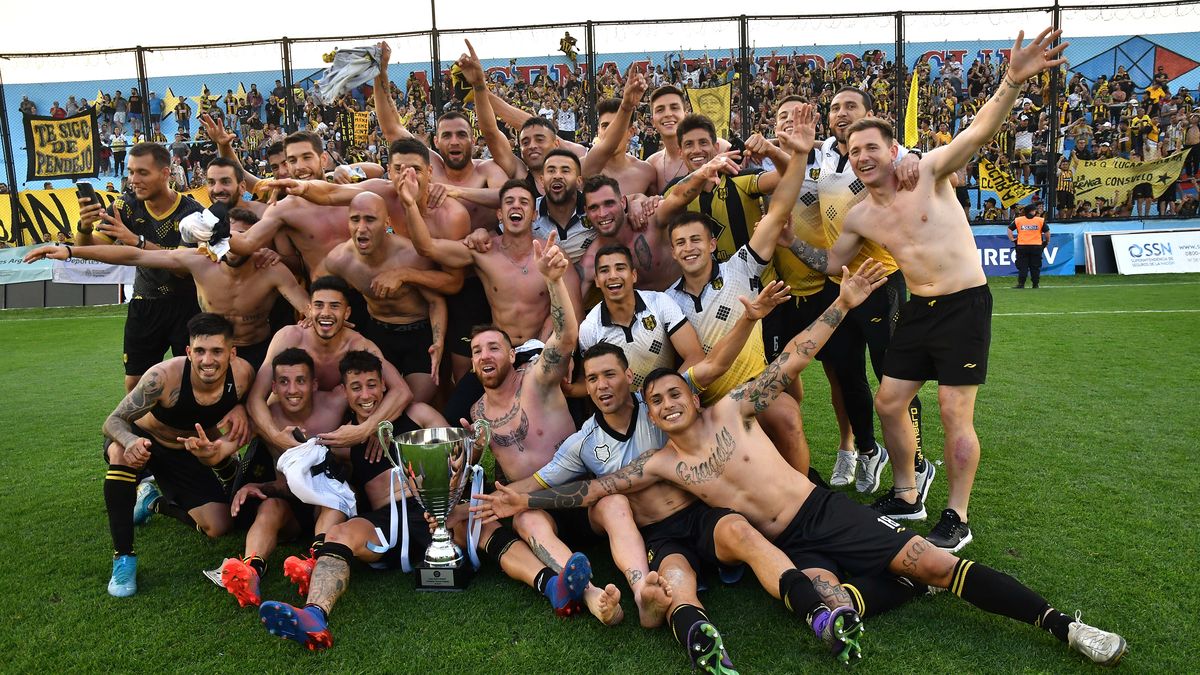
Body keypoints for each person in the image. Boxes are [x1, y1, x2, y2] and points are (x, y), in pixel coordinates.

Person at [476, 260, 1128, 668]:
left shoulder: (733, 407)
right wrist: (522, 500)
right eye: (659, 399)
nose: (668, 402)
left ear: (691, 394)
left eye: (674, 392)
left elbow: (793, 360)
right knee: (825, 598)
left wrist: (841, 303)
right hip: (783, 543)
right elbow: (594, 487)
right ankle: (874, 591)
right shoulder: (663, 463)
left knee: (928, 561)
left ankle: (1063, 625)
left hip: (821, 511)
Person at [779, 27, 1069, 551]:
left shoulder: (928, 172)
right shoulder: (862, 215)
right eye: (853, 149)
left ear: (894, 150)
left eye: (872, 147)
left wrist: (1012, 80)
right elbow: (831, 264)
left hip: (964, 305)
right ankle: (908, 493)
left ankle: (957, 515)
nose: (862, 155)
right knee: (890, 401)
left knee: (954, 413)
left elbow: (977, 135)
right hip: (918, 307)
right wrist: (788, 242)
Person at [775, 88, 930, 497]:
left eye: (851, 107)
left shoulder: (888, 155)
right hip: (838, 285)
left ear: (869, 115)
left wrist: (912, 157)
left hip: (882, 281)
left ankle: (915, 461)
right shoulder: (822, 152)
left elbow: (926, 162)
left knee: (892, 379)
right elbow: (788, 169)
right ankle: (867, 450)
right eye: (835, 108)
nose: (841, 114)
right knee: (847, 376)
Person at [24, 207, 307, 372]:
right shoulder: (198, 261)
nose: (233, 241)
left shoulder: (270, 269)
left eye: (242, 235)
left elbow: (306, 308)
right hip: (214, 352)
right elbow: (134, 256)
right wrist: (71, 250)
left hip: (259, 351)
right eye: (228, 233)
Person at [100, 313, 254, 597]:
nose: (208, 360)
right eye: (200, 351)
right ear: (188, 351)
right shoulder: (163, 377)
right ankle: (123, 557)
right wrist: (131, 440)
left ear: (232, 353)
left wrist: (242, 407)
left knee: (219, 526)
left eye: (217, 351)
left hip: (183, 450)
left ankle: (153, 503)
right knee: (121, 453)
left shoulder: (244, 375)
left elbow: (258, 403)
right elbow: (113, 421)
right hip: (143, 441)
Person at [218, 347, 349, 608]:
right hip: (290, 502)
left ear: (313, 384)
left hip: (330, 500)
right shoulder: (266, 418)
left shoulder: (335, 402)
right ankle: (251, 572)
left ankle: (314, 562)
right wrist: (254, 485)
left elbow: (373, 387)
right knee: (269, 506)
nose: (292, 389)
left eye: (300, 380)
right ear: (274, 387)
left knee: (332, 500)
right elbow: (221, 449)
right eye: (284, 382)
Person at [75, 142, 206, 392]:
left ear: (165, 173)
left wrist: (136, 241)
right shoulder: (124, 206)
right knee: (136, 382)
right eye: (131, 172)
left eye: (142, 172)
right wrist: (84, 226)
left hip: (189, 305)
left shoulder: (193, 212)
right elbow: (91, 250)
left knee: (192, 381)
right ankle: (139, 430)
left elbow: (182, 267)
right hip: (145, 303)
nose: (134, 180)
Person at [248, 276, 413, 454]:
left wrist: (366, 429)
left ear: (347, 313)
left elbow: (401, 391)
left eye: (334, 306)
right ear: (309, 310)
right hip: (288, 425)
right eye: (319, 305)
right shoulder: (289, 338)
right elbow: (256, 398)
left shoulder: (359, 345)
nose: (326, 312)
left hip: (335, 433)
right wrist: (275, 436)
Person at [320, 191, 448, 404]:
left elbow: (436, 301)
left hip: (418, 334)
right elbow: (321, 290)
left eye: (370, 219)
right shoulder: (339, 259)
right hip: (377, 333)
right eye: (355, 220)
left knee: (413, 403)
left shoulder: (410, 255)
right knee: (373, 400)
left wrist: (438, 341)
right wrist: (313, 313)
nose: (361, 228)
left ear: (386, 222)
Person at [578, 244, 706, 391]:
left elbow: (695, 356)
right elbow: (592, 383)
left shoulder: (660, 302)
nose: (613, 276)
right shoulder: (589, 328)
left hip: (669, 398)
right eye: (604, 270)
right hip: (625, 409)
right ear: (597, 280)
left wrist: (660, 393)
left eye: (620, 268)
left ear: (633, 275)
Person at [1008, 204, 1049, 289]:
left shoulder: (1018, 220)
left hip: (1022, 246)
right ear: (1032, 211)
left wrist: (1012, 239)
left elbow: (1009, 229)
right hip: (1036, 246)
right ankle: (1035, 284)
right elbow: (1047, 232)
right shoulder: (1040, 220)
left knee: (1023, 266)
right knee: (1035, 266)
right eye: (1035, 210)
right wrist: (1047, 241)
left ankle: (1021, 284)